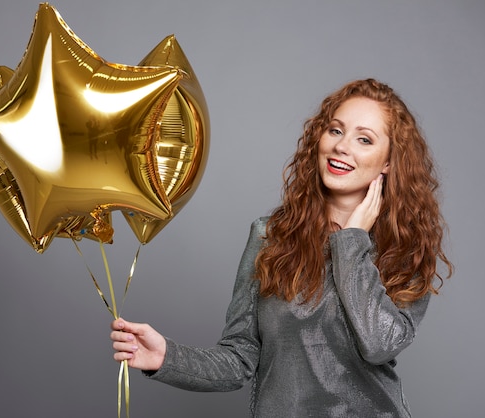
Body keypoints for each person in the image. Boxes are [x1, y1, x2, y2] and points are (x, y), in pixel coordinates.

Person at [110, 78, 453, 417]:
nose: (341, 146)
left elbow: (380, 344)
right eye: (335, 130)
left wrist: (351, 242)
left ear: (389, 162)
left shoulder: (406, 247)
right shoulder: (269, 237)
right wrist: (166, 357)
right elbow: (240, 359)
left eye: (364, 139)